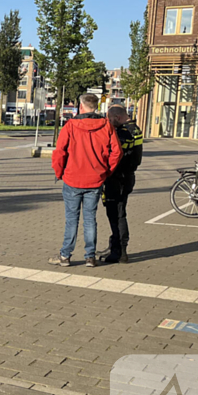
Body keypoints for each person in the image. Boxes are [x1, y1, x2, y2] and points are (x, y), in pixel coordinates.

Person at [49, 94, 122, 268]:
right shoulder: (107, 126)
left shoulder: (71, 126)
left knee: (71, 219)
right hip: (95, 180)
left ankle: (65, 256)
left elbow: (59, 152)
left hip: (72, 178)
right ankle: (90, 257)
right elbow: (116, 152)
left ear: (81, 106)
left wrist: (59, 173)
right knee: (90, 219)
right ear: (96, 106)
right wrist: (106, 171)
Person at [100, 105, 144, 264]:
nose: (108, 122)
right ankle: (115, 246)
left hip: (116, 179)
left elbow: (113, 155)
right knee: (119, 213)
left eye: (109, 119)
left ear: (117, 118)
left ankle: (120, 252)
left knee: (116, 215)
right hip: (128, 177)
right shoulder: (135, 129)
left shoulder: (121, 133)